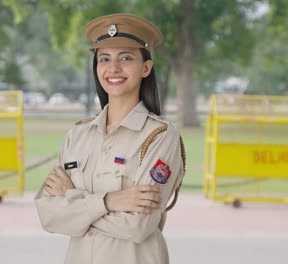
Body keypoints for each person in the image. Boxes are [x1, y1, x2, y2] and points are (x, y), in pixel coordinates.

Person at [35, 13, 185, 264]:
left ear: (146, 67)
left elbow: (138, 226)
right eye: (104, 59)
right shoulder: (78, 134)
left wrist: (74, 203)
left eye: (125, 58)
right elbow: (49, 215)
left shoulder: (160, 136)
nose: (113, 68)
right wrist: (110, 201)